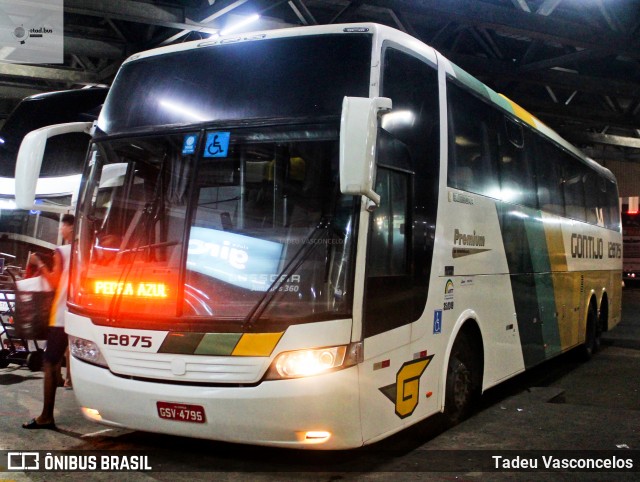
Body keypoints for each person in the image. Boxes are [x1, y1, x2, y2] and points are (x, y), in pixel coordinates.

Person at [22, 213, 74, 430]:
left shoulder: (62, 252)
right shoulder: (88, 252)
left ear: (70, 227)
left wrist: (39, 263)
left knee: (49, 363)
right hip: (79, 313)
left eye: (62, 226)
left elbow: (54, 283)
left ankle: (46, 416)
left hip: (61, 315)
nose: (60, 230)